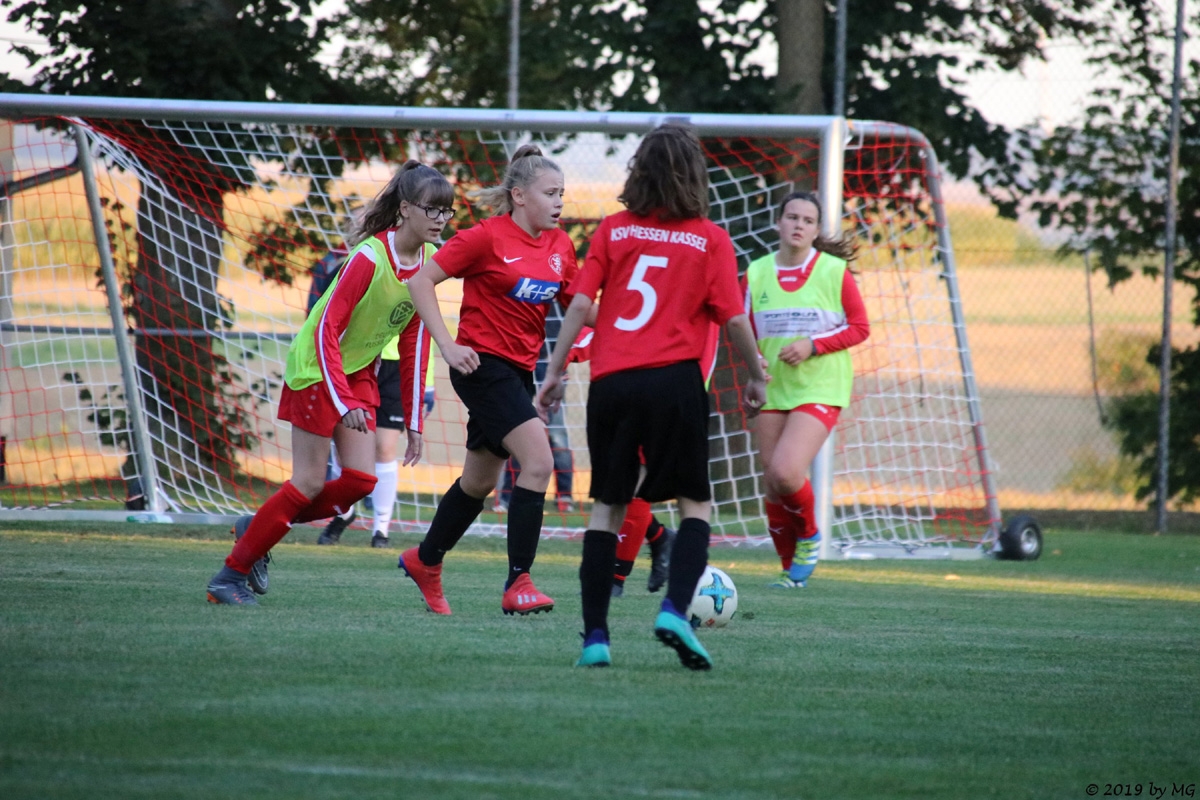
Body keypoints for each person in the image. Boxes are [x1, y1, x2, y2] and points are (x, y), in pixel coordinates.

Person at [538, 123, 768, 670]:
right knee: (694, 503)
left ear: (637, 172)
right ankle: (673, 610)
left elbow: (578, 306)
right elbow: (733, 317)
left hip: (613, 383)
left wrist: (553, 372)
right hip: (675, 382)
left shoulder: (613, 230)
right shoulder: (710, 239)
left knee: (607, 508)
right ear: (695, 176)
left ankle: (596, 638)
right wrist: (757, 373)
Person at [205, 161, 452, 604]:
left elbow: (415, 340)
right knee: (309, 482)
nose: (440, 219)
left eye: (446, 211)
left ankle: (257, 527)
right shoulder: (369, 257)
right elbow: (324, 331)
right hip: (318, 370)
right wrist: (342, 400)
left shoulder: (429, 262)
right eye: (431, 209)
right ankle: (229, 577)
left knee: (360, 481)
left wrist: (414, 418)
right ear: (405, 209)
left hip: (356, 372)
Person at [398, 144, 580, 617]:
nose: (559, 202)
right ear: (519, 196)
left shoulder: (561, 246)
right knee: (538, 462)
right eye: (550, 193)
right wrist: (447, 345)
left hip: (520, 372)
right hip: (481, 368)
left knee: (478, 483)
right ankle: (519, 582)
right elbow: (420, 281)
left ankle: (425, 559)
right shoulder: (485, 237)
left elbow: (579, 306)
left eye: (562, 193)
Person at [746, 190, 869, 588]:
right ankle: (790, 575)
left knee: (786, 472)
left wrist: (813, 345)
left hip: (820, 385)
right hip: (774, 388)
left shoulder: (833, 271)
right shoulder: (757, 272)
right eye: (792, 217)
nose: (798, 225)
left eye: (807, 220)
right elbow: (746, 329)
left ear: (816, 231)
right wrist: (755, 366)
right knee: (772, 484)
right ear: (778, 222)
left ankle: (811, 536)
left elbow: (860, 327)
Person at [316, 323, 430, 548]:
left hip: (397, 366)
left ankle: (381, 529)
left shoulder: (415, 298)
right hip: (358, 359)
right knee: (344, 450)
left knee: (385, 448)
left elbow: (423, 335)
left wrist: (430, 385)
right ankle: (343, 513)